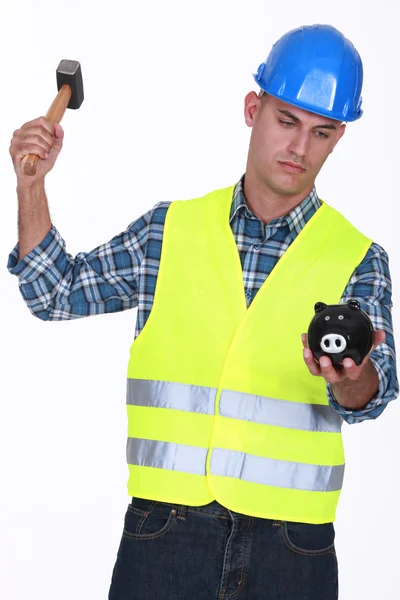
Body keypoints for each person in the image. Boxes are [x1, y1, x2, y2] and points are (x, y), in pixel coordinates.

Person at [8, 23, 399, 600]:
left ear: (338, 138)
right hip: (166, 534)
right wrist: (30, 188)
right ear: (252, 109)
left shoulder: (358, 258)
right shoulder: (169, 232)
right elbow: (54, 292)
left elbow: (376, 391)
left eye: (320, 132)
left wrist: (350, 376)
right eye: (286, 121)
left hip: (292, 549)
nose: (298, 147)